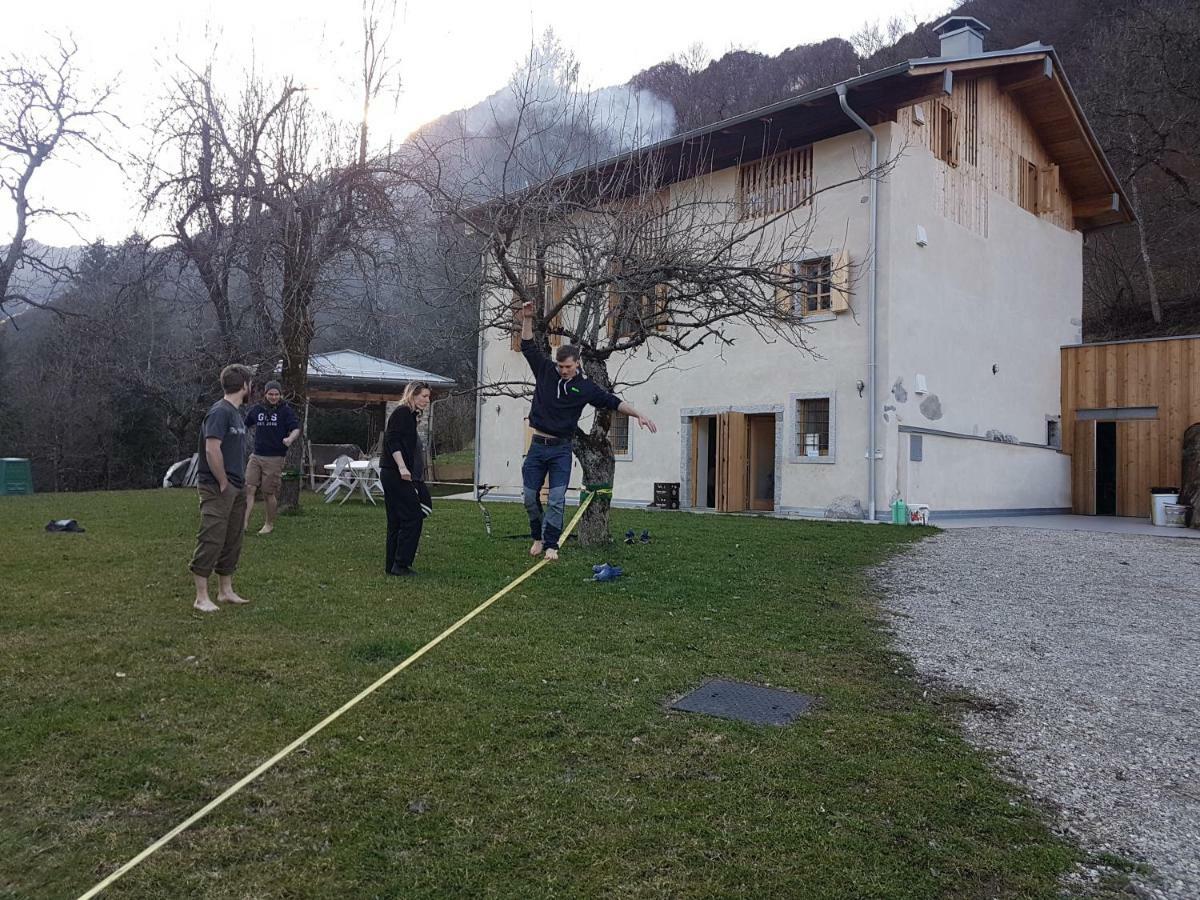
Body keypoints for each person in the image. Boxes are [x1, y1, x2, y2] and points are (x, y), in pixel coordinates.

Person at [518, 301, 657, 561]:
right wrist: (527, 318)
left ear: (577, 364)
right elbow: (527, 346)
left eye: (567, 367)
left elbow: (613, 402)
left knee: (557, 500)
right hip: (537, 446)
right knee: (528, 498)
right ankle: (536, 536)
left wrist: (639, 414)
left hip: (561, 449)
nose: (563, 371)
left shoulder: (585, 388)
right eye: (560, 367)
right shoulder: (546, 371)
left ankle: (551, 545)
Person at [189, 364, 255, 613]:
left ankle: (225, 591)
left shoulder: (236, 413)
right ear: (245, 385)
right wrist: (223, 481)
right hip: (216, 487)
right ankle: (201, 597)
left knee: (232, 539)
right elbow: (211, 448)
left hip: (237, 487)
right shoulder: (220, 412)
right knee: (212, 537)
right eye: (250, 383)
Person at [380, 381, 434, 576]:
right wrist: (402, 467)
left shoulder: (410, 417)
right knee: (413, 517)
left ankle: (392, 565)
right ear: (413, 395)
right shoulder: (402, 412)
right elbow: (392, 441)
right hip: (395, 473)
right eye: (424, 396)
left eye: (428, 397)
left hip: (395, 472)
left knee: (396, 519)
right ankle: (401, 563)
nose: (427, 401)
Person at [243, 380, 301, 535]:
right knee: (249, 488)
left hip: (275, 457)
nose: (273, 397)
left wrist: (290, 439)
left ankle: (269, 524)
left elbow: (296, 429)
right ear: (265, 394)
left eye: (276, 394)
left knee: (268, 492)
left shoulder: (285, 411)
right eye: (270, 394)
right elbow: (244, 424)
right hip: (256, 455)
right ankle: (243, 524)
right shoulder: (257, 409)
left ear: (280, 395)